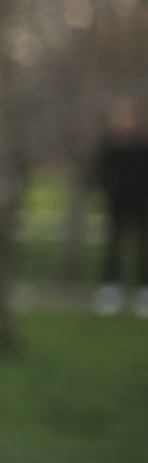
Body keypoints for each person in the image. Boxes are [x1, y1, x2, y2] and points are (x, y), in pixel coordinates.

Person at [93, 96, 148, 317]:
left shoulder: (143, 146)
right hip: (116, 203)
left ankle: (143, 288)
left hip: (140, 203)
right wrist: (109, 192)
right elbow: (102, 173)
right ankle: (111, 288)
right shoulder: (110, 146)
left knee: (141, 245)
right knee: (114, 245)